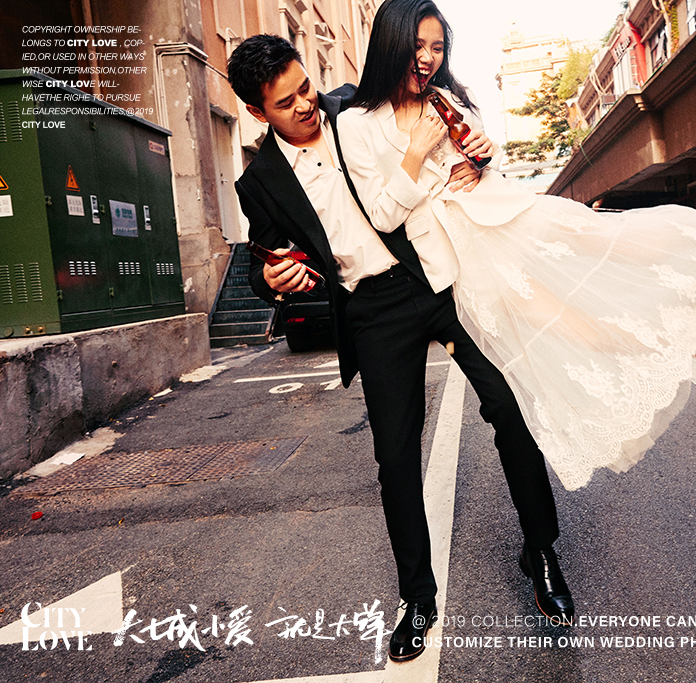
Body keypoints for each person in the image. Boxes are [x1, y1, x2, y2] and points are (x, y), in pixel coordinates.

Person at [336, 0, 696, 490]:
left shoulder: (445, 99)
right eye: (418, 46)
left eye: (436, 47)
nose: (428, 58)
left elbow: (481, 163)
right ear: (391, 43)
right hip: (467, 264)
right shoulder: (356, 123)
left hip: (505, 216)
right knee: (591, 333)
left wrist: (484, 157)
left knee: (607, 241)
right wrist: (415, 152)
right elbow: (383, 216)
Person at [226, 34, 573, 665]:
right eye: (286, 102)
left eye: (306, 88)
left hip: (438, 277)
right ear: (257, 112)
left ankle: (540, 550)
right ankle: (417, 597)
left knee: (510, 407)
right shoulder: (260, 182)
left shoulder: (357, 106)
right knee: (395, 456)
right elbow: (262, 256)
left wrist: (478, 154)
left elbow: (439, 127)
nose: (306, 105)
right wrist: (272, 278)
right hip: (371, 309)